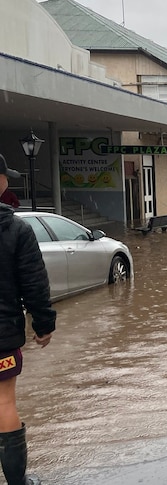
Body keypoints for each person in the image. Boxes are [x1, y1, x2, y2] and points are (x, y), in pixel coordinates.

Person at [0, 153, 55, 485]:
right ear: (2, 181)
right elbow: (34, 282)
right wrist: (44, 324)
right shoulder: (15, 229)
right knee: (4, 401)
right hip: (2, 337)